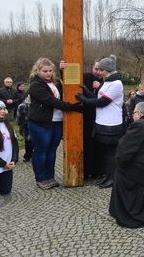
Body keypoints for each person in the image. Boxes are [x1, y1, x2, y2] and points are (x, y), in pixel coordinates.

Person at [28, 58, 82, 190]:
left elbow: (68, 87)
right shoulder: (35, 85)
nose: (48, 73)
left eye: (50, 71)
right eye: (45, 71)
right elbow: (51, 101)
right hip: (41, 122)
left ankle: (50, 176)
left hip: (57, 121)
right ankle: (41, 178)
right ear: (38, 71)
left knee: (52, 150)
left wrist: (64, 71)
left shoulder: (55, 83)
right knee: (41, 150)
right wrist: (71, 106)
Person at [76, 55, 124, 189]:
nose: (99, 72)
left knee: (111, 153)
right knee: (105, 152)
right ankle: (107, 176)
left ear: (107, 70)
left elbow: (102, 102)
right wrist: (87, 92)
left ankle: (113, 177)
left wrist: (84, 99)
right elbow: (98, 97)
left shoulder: (115, 83)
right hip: (103, 122)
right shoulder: (107, 82)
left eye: (101, 69)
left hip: (111, 123)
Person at [16, 95, 33, 162]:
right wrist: (22, 125)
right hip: (26, 127)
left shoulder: (38, 104)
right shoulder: (22, 106)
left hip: (37, 126)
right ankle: (27, 156)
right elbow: (18, 118)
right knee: (28, 142)